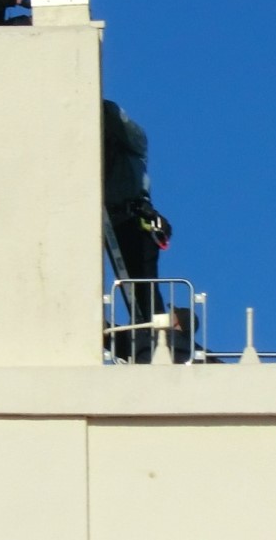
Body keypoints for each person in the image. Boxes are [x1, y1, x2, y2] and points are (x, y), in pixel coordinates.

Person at [103, 98, 173, 360]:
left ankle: (158, 338)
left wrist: (98, 108)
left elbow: (129, 131)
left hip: (134, 219)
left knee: (143, 285)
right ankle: (150, 335)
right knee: (135, 284)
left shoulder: (130, 145)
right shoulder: (113, 153)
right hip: (114, 217)